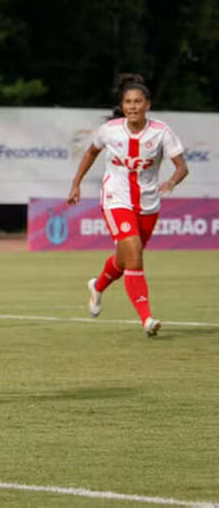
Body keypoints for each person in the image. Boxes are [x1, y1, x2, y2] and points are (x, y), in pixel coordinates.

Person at [66, 73, 188, 337]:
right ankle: (147, 319)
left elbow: (182, 167)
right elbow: (90, 152)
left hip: (148, 204)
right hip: (115, 199)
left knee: (125, 260)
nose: (133, 106)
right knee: (134, 253)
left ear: (147, 105)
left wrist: (171, 182)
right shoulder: (110, 130)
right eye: (128, 102)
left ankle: (97, 286)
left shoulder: (161, 133)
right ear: (122, 106)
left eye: (138, 101)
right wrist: (76, 184)